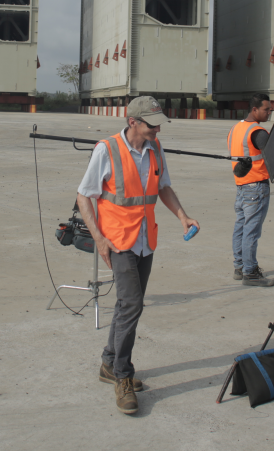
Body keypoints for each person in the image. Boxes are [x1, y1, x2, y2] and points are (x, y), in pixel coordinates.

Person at [76, 95, 200, 415]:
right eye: (151, 124)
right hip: (118, 241)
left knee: (126, 304)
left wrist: (182, 216)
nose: (157, 129)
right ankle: (122, 375)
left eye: (159, 123)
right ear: (133, 122)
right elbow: (84, 196)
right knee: (132, 304)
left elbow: (163, 188)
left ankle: (108, 361)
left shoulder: (155, 149)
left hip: (146, 240)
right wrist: (99, 239)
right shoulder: (107, 150)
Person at [228, 93, 273, 286]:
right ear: (254, 110)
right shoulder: (258, 132)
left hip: (241, 186)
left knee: (240, 227)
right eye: (266, 109)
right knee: (251, 231)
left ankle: (239, 266)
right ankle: (250, 272)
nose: (269, 113)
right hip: (256, 187)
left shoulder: (235, 128)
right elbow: (273, 154)